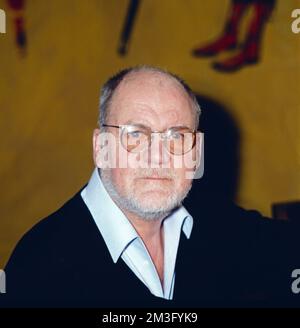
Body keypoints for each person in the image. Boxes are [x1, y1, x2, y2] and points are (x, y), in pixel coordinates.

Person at [0, 65, 298, 308]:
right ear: (101, 148)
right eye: (136, 134)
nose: (158, 156)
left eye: (178, 137)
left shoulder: (208, 217)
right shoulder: (39, 272)